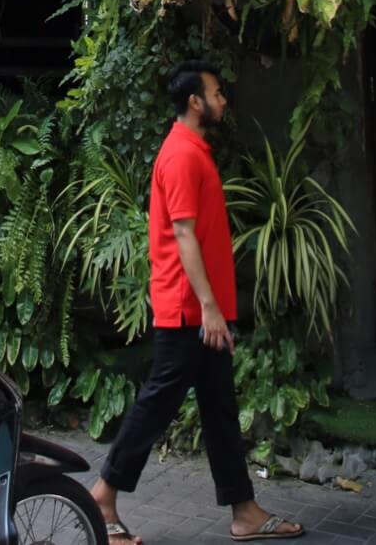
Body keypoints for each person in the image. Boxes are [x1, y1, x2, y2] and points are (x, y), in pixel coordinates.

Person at [89, 60, 305, 545]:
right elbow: (183, 235)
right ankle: (103, 496)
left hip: (201, 308)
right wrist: (209, 308)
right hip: (189, 309)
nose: (223, 99)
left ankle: (244, 511)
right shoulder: (182, 154)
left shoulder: (191, 149)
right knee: (158, 402)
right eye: (216, 92)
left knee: (219, 407)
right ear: (195, 101)